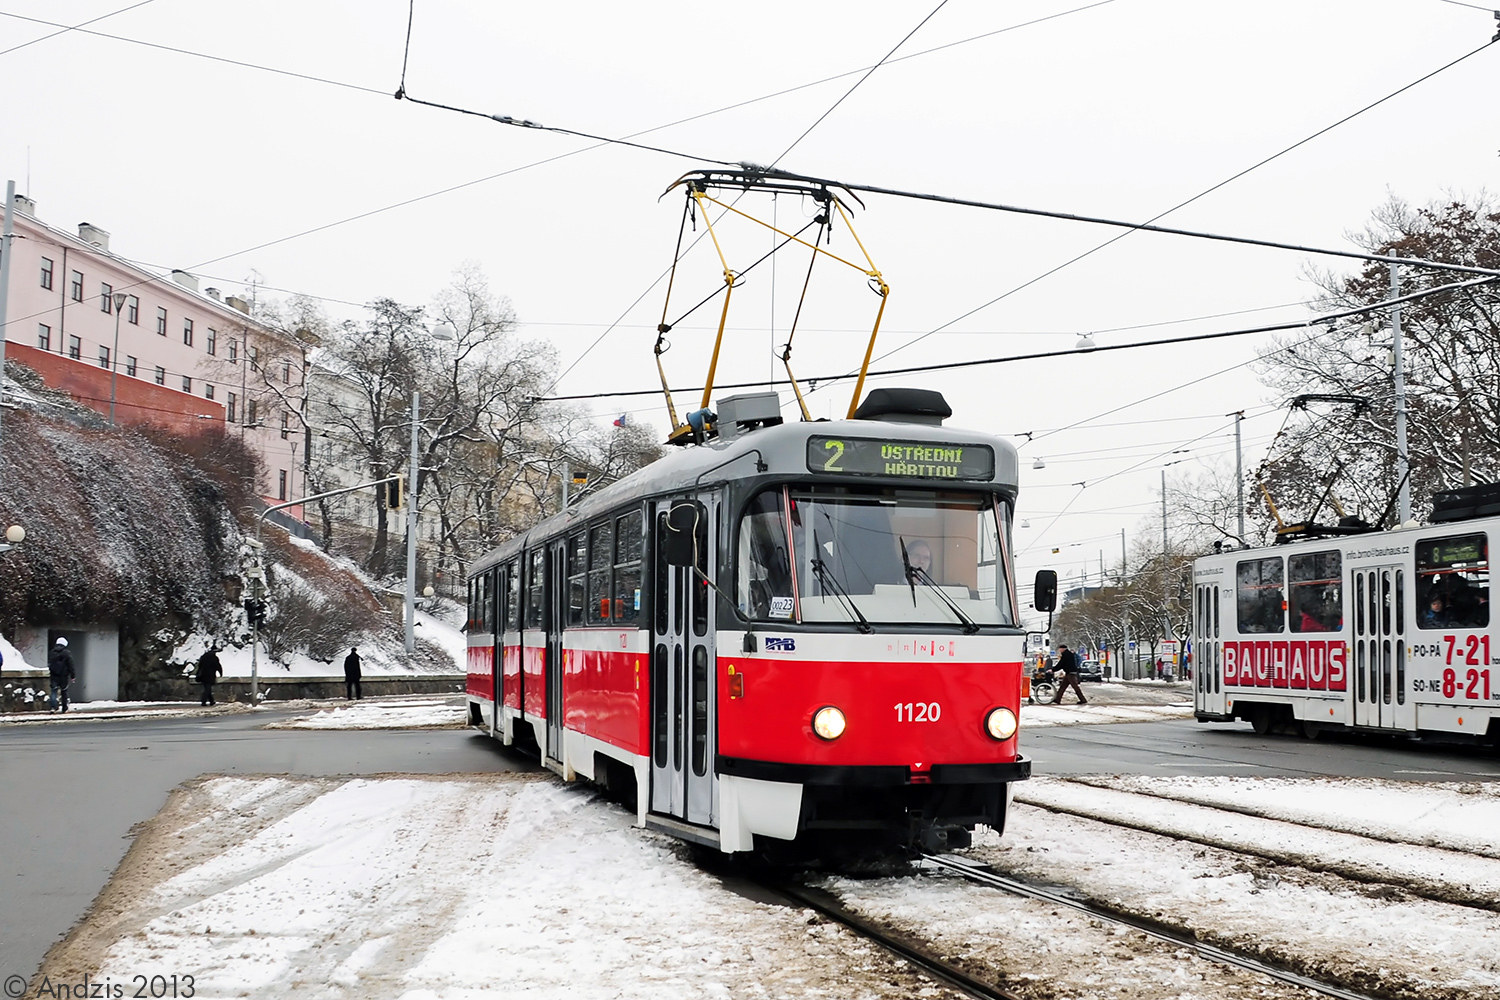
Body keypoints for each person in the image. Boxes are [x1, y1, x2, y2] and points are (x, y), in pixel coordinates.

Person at [47, 637, 76, 713]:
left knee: (54, 691)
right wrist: (73, 675)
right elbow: (71, 665)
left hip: (54, 675)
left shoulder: (52, 652)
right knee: (64, 691)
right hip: (63, 676)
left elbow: (50, 663)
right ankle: (64, 708)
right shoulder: (67, 653)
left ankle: (53, 707)